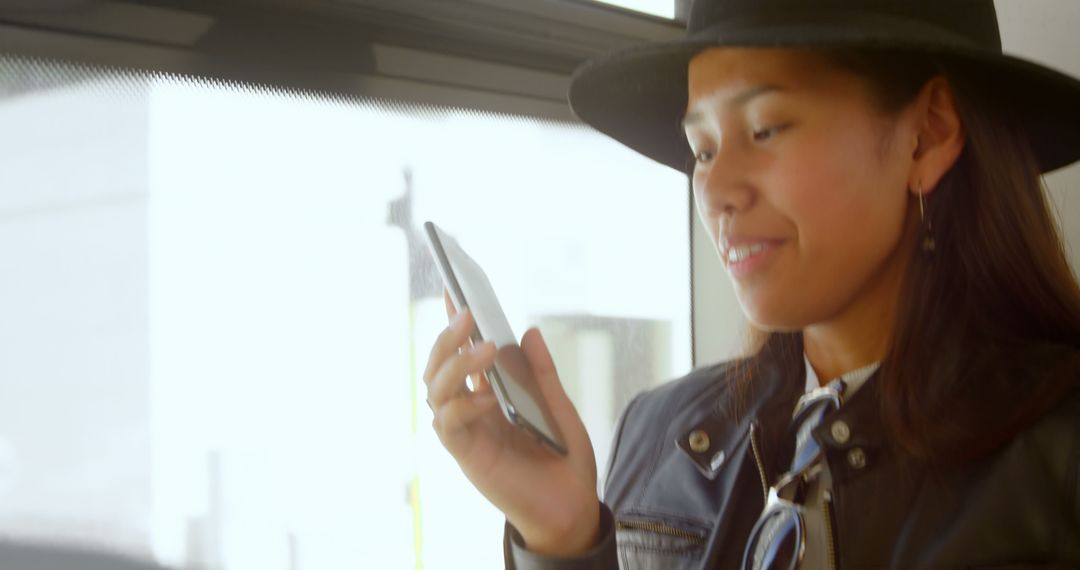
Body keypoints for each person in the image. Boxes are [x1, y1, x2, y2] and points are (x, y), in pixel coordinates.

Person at [422, 0, 1080, 568]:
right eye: (702, 148)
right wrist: (563, 538)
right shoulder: (657, 437)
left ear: (927, 136)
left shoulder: (1058, 458)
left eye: (765, 129)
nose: (716, 189)